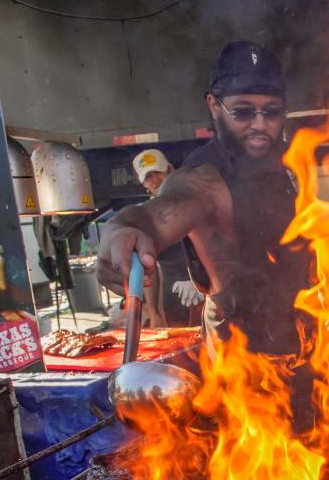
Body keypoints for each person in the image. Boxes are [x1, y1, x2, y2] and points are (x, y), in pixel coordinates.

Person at [97, 41, 309, 357]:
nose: (261, 124)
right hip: (242, 352)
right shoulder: (204, 180)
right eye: (243, 111)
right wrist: (121, 228)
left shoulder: (282, 163)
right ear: (213, 105)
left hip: (303, 333)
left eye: (273, 111)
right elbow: (156, 215)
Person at [131, 148, 204, 328]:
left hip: (208, 291)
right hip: (173, 298)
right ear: (143, 184)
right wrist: (154, 311)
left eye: (158, 172)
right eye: (148, 177)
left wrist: (202, 279)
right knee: (180, 349)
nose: (155, 180)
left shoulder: (199, 200)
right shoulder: (146, 217)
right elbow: (150, 268)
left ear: (171, 169)